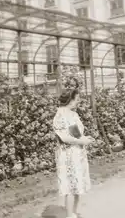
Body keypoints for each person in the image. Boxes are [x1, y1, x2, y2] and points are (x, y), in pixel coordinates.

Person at [53, 89, 95, 218]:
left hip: (77, 153)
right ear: (70, 100)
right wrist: (81, 140)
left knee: (77, 185)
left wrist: (84, 138)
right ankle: (69, 215)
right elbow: (64, 137)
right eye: (76, 99)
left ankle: (73, 214)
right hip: (67, 155)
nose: (78, 101)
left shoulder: (72, 114)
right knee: (70, 187)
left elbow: (75, 133)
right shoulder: (60, 115)